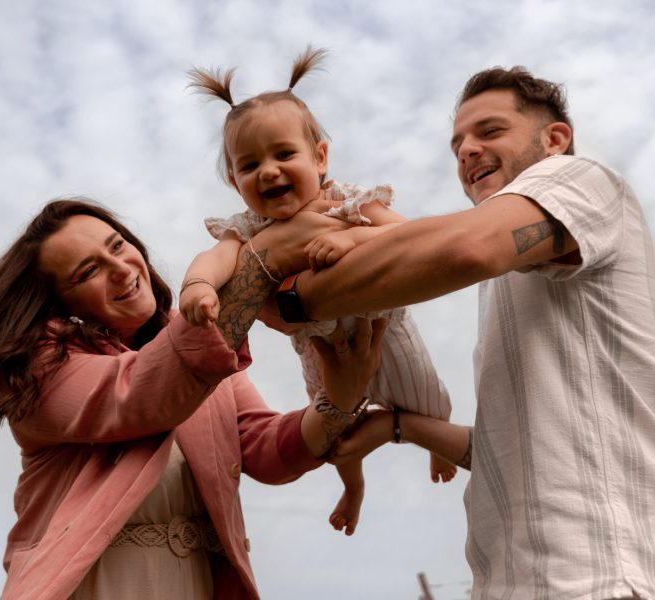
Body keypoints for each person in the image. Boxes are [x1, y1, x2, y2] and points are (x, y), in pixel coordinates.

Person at [254, 67, 655, 599]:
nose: (467, 151)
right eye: (457, 143)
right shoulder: (511, 279)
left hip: (610, 575)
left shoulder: (579, 181)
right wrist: (398, 427)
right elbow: (510, 454)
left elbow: (465, 247)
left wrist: (285, 287)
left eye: (489, 132)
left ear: (554, 140)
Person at [0, 198, 386, 600]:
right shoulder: (41, 369)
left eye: (117, 246)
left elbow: (262, 448)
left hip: (199, 581)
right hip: (99, 583)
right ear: (60, 303)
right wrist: (258, 265)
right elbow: (140, 390)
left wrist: (337, 401)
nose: (120, 268)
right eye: (88, 270)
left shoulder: (199, 356)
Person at [180, 46, 454, 536]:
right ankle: (353, 486)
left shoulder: (346, 204)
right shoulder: (245, 229)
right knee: (336, 437)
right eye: (250, 164)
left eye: (285, 154)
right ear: (233, 179)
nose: (269, 171)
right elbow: (217, 259)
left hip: (386, 333)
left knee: (431, 402)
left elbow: (411, 236)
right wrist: (199, 284)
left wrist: (351, 237)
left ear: (320, 157)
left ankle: (436, 442)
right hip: (319, 348)